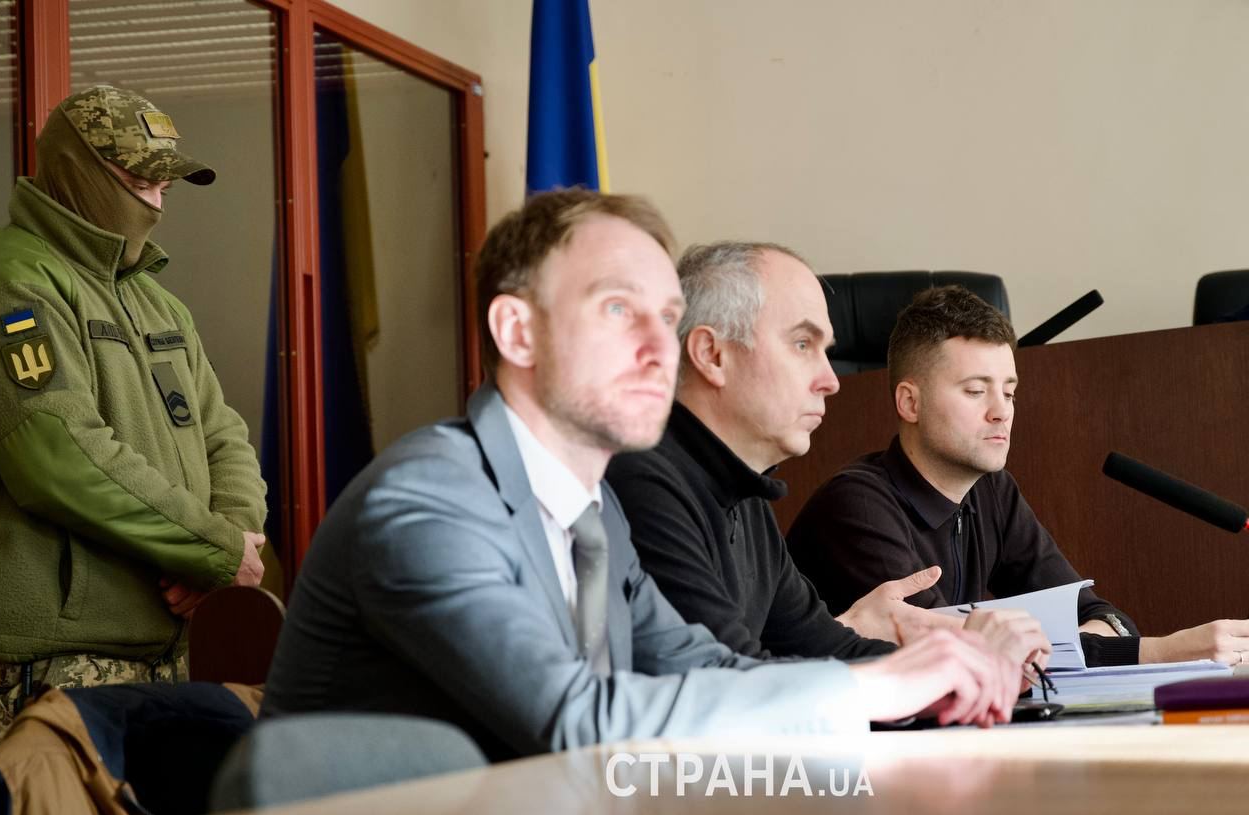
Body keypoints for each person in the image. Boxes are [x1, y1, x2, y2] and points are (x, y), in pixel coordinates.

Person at [262, 191, 1023, 762]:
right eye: (620, 311)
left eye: (666, 317)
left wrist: (931, 676)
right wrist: (876, 687)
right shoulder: (430, 500)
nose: (662, 348)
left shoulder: (592, 512)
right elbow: (578, 721)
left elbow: (706, 667)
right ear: (517, 332)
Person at [0, 85, 267, 740]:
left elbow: (224, 434)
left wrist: (227, 541)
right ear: (76, 172)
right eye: (137, 182)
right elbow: (59, 455)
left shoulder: (158, 302)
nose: (155, 204)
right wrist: (212, 549)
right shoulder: (13, 281)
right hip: (59, 654)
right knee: (69, 810)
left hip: (166, 644)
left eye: (165, 186)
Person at [605, 242, 1048, 670]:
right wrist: (959, 665)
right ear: (712, 354)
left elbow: (826, 646)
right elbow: (733, 684)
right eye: (803, 344)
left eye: (827, 351)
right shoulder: (644, 481)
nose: (830, 381)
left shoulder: (748, 497)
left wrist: (958, 669)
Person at [787, 285, 1249, 666]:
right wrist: (1159, 652)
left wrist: (1066, 645)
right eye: (975, 391)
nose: (1001, 412)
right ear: (910, 402)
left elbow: (1099, 613)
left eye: (1009, 392)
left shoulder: (992, 489)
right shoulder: (856, 508)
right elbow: (958, 653)